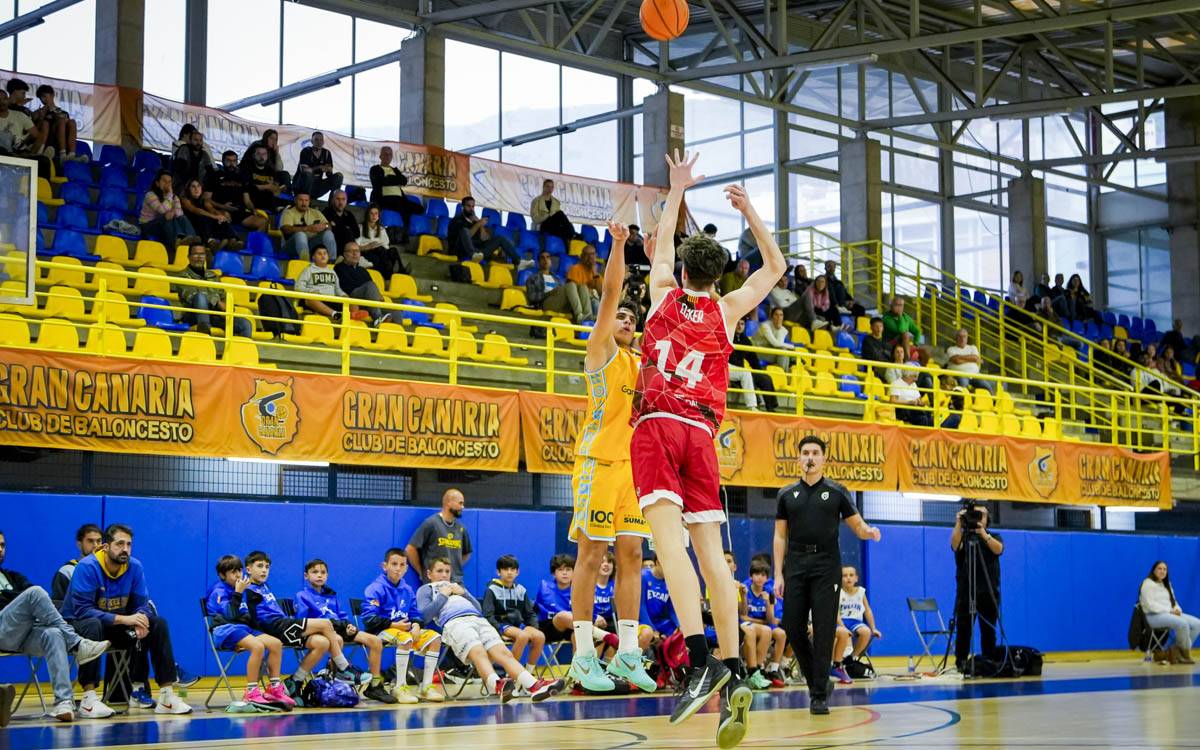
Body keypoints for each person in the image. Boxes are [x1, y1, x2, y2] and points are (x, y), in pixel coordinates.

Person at [633, 150, 785, 748]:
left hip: (657, 424)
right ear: (718, 278)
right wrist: (750, 212)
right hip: (702, 433)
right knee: (713, 560)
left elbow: (663, 244)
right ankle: (738, 669)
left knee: (669, 550)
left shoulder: (663, 293)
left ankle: (699, 663)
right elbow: (773, 266)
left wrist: (677, 190)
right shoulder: (727, 311)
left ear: (681, 270)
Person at [565, 222, 656, 693]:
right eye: (620, 316)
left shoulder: (642, 363)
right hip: (597, 465)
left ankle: (627, 653)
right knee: (592, 554)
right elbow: (610, 293)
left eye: (630, 318)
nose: (625, 320)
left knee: (633, 556)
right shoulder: (601, 352)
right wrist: (620, 244)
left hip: (633, 472)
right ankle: (582, 656)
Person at [773, 436, 881, 715]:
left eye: (815, 453)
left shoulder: (837, 491)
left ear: (823, 459)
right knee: (792, 627)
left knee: (824, 630)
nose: (810, 457)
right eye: (805, 452)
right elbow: (779, 536)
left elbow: (857, 526)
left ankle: (818, 695)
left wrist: (868, 532)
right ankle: (818, 680)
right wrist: (778, 574)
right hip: (795, 563)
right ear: (798, 458)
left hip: (826, 564)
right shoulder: (786, 494)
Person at [63, 523, 193, 717]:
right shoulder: (87, 567)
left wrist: (140, 620)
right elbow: (83, 611)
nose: (125, 549)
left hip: (114, 629)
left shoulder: (134, 566)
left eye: (129, 544)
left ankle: (166, 695)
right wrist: (125, 619)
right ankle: (89, 699)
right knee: (93, 624)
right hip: (78, 628)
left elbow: (142, 604)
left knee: (158, 624)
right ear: (105, 547)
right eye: (119, 544)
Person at [417, 557, 562, 702]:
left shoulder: (457, 587)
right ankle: (496, 685)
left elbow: (478, 609)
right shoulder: (426, 590)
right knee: (478, 651)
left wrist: (464, 594)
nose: (444, 575)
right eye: (439, 571)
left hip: (478, 619)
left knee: (504, 653)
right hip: (454, 622)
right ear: (429, 574)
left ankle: (534, 686)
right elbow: (424, 615)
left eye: (447, 571)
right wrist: (443, 595)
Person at [0, 531, 110, 722]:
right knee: (35, 593)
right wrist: (17, 599)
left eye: (2, 545)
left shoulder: (12, 576)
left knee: (53, 633)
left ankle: (63, 702)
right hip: (2, 631)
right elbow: (27, 596)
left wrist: (15, 598)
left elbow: (25, 596)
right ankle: (77, 644)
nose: (0, 550)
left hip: (22, 634)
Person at [237, 550, 365, 699]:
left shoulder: (264, 586)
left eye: (267, 566)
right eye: (260, 566)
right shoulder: (247, 589)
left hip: (283, 625)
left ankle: (295, 681)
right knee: (325, 624)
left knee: (322, 643)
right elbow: (248, 617)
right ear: (248, 569)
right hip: (274, 627)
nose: (264, 570)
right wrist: (253, 636)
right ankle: (343, 667)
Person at [294, 558, 394, 704]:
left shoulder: (331, 595)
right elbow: (303, 622)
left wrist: (349, 626)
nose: (319, 575)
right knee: (337, 639)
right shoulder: (302, 596)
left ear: (327, 576)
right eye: (315, 572)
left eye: (323, 572)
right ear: (306, 576)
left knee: (375, 641)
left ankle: (375, 685)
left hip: (339, 629)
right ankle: (338, 680)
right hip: (321, 633)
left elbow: (342, 616)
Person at [204, 555, 294, 711]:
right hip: (225, 630)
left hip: (242, 630)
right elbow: (230, 614)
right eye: (233, 572)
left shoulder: (243, 589)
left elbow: (248, 617)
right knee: (257, 646)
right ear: (222, 575)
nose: (238, 575)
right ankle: (251, 691)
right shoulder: (218, 591)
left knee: (275, 643)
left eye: (239, 570)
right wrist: (238, 593)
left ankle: (274, 689)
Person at [361, 548, 444, 703]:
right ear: (384, 566)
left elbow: (415, 614)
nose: (398, 568)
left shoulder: (407, 589)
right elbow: (369, 619)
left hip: (404, 629)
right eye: (394, 564)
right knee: (405, 639)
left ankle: (426, 687)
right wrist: (394, 624)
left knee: (435, 638)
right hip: (381, 631)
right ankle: (400, 687)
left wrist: (417, 625)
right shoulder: (375, 588)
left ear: (406, 568)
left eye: (402, 565)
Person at [950, 503, 1004, 675]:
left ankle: (988, 661)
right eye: (975, 514)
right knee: (964, 629)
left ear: (988, 519)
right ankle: (961, 662)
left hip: (988, 591)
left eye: (981, 515)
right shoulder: (964, 538)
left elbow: (999, 549)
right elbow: (954, 546)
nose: (978, 517)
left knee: (988, 630)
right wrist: (959, 522)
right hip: (966, 590)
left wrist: (983, 533)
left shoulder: (993, 536)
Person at [481, 555, 546, 675]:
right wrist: (499, 629)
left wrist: (533, 627)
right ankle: (512, 674)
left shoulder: (521, 590)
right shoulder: (491, 590)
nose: (509, 572)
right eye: (505, 569)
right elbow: (488, 616)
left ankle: (528, 673)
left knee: (540, 636)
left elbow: (530, 613)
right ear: (498, 572)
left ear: (517, 572)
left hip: (518, 625)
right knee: (522, 636)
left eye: (512, 569)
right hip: (502, 625)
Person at [174, 243, 253, 337]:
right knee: (200, 298)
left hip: (214, 314)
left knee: (245, 324)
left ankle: (240, 351)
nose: (199, 257)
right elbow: (191, 296)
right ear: (189, 257)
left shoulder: (213, 276)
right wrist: (217, 302)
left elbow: (223, 297)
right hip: (193, 314)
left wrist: (227, 307)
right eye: (195, 254)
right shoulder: (182, 276)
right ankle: (205, 334)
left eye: (202, 254)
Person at [406, 488, 472, 583]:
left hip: (456, 582)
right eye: (460, 503)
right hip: (435, 583)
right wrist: (421, 572)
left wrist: (455, 566)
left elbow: (467, 553)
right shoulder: (431, 523)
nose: (463, 507)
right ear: (449, 502)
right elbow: (410, 549)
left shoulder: (461, 528)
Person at [1140, 560, 1198, 664]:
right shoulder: (1147, 583)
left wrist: (1177, 609)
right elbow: (1150, 605)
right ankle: (1185, 655)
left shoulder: (1167, 584)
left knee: (1197, 624)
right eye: (1159, 569)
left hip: (1169, 614)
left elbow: (1173, 601)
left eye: (1165, 569)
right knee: (1182, 624)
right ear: (1154, 570)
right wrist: (1169, 611)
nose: (1162, 571)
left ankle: (1173, 652)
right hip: (1153, 616)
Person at [740, 560, 785, 690]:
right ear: (751, 576)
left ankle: (769, 669)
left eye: (763, 575)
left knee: (778, 633)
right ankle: (753, 671)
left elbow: (771, 620)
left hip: (762, 625)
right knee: (762, 629)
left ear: (767, 578)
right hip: (747, 624)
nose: (760, 577)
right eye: (757, 574)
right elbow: (743, 615)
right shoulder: (745, 589)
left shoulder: (769, 593)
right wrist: (743, 597)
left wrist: (767, 604)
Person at [205, 150, 269, 233]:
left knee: (263, 221)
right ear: (223, 161)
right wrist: (223, 207)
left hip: (239, 211)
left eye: (234, 161)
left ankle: (252, 244)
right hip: (222, 210)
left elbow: (247, 200)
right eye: (228, 161)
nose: (232, 164)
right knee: (226, 217)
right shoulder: (215, 176)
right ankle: (232, 241)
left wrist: (253, 210)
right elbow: (206, 199)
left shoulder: (242, 177)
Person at [449, 195, 523, 266]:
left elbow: (485, 239)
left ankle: (518, 261)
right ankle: (472, 255)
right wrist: (477, 224)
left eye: (473, 206)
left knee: (500, 238)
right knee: (464, 230)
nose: (471, 209)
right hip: (461, 251)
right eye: (468, 206)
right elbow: (466, 236)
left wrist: (480, 225)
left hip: (478, 253)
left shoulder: (475, 222)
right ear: (462, 207)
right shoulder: (457, 220)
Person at [335, 242, 392, 327]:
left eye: (357, 251)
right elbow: (345, 288)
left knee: (395, 312)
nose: (355, 254)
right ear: (345, 254)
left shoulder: (363, 270)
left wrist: (378, 296)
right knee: (370, 286)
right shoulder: (339, 267)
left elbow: (373, 291)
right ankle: (378, 317)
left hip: (367, 302)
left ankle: (393, 335)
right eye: (351, 251)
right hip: (352, 299)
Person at [139, 170, 198, 247]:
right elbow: (162, 210)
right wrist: (169, 195)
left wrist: (172, 210)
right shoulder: (150, 195)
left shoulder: (174, 197)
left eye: (169, 182)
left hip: (164, 224)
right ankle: (176, 241)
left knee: (182, 218)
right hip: (148, 225)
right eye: (164, 181)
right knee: (165, 216)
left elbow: (179, 214)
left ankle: (193, 242)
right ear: (157, 183)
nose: (167, 184)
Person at [835, 566, 881, 666]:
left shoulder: (861, 591)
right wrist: (842, 626)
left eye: (851, 575)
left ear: (856, 578)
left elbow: (868, 610)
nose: (848, 578)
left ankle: (852, 657)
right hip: (840, 621)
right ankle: (839, 659)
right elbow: (835, 613)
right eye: (845, 575)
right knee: (843, 633)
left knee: (866, 631)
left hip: (855, 621)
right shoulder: (838, 592)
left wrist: (873, 628)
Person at [730, 317, 776, 411]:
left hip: (742, 371)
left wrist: (760, 373)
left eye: (742, 324)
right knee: (749, 376)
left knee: (765, 378)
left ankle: (771, 408)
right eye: (737, 323)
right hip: (731, 372)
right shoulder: (728, 337)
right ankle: (756, 406)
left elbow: (753, 360)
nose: (739, 326)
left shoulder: (745, 340)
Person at [180, 178, 238, 250]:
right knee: (203, 216)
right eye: (193, 186)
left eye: (198, 186)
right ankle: (210, 241)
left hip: (206, 227)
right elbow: (195, 210)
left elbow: (213, 211)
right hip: (193, 226)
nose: (196, 189)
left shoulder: (204, 200)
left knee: (221, 219)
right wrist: (214, 216)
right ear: (188, 189)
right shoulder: (185, 199)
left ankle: (232, 241)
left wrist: (221, 216)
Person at [295, 246, 349, 321]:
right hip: (315, 301)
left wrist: (343, 295)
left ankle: (354, 315)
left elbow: (337, 289)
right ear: (313, 257)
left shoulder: (332, 272)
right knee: (310, 299)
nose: (323, 256)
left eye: (325, 253)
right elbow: (298, 286)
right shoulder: (308, 270)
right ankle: (334, 314)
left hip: (331, 300)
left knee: (352, 302)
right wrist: (311, 291)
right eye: (319, 254)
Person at [51, 523, 103, 601]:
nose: (95, 545)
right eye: (90, 541)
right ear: (79, 544)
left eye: (99, 541)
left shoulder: (107, 571)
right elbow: (58, 607)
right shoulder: (67, 572)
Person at [536, 554, 579, 647]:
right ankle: (603, 635)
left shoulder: (578, 590)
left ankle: (579, 662)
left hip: (571, 627)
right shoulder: (545, 587)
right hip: (548, 628)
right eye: (560, 570)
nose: (565, 573)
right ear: (553, 573)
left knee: (578, 636)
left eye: (568, 569)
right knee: (562, 616)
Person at [280, 191, 337, 261]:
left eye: (306, 200)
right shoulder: (288, 212)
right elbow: (286, 229)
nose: (304, 203)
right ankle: (305, 261)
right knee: (300, 234)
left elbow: (329, 226)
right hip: (290, 247)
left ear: (309, 201)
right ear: (295, 201)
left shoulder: (316, 212)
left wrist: (324, 226)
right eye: (301, 200)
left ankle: (332, 261)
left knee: (328, 233)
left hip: (311, 245)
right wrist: (307, 228)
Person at [369, 146, 419, 225]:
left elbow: (404, 181)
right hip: (384, 199)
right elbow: (381, 181)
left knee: (420, 208)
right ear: (380, 156)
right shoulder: (375, 169)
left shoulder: (394, 170)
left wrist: (389, 178)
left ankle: (401, 230)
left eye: (390, 155)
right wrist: (395, 180)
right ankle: (403, 231)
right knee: (402, 206)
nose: (388, 157)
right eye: (385, 154)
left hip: (400, 199)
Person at [356, 204, 405, 279]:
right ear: (367, 215)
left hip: (381, 252)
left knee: (393, 250)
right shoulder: (360, 227)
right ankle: (390, 274)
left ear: (378, 216)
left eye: (376, 213)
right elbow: (356, 247)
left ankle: (400, 269)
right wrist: (369, 246)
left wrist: (378, 246)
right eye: (371, 213)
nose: (374, 216)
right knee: (381, 251)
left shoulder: (381, 229)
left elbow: (386, 245)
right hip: (366, 252)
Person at [293, 131, 342, 199]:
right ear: (312, 141)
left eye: (321, 140)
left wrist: (329, 170)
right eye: (316, 140)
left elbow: (329, 173)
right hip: (302, 186)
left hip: (317, 186)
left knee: (339, 176)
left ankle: (332, 204)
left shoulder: (326, 153)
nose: (319, 142)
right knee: (308, 175)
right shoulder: (306, 151)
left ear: (323, 142)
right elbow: (304, 171)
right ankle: (306, 201)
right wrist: (319, 167)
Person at [530, 178, 576, 247]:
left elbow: (560, 220)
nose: (550, 189)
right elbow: (535, 218)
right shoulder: (536, 201)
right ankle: (573, 234)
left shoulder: (556, 202)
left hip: (553, 225)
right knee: (560, 214)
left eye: (552, 187)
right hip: (542, 224)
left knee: (562, 229)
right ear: (543, 187)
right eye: (548, 186)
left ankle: (570, 238)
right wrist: (548, 216)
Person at [240, 144, 286, 213]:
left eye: (264, 154)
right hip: (253, 198)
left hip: (270, 197)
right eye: (258, 154)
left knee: (293, 202)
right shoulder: (247, 169)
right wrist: (268, 186)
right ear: (254, 155)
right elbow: (247, 188)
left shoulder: (271, 170)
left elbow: (278, 188)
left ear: (267, 156)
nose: (261, 157)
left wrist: (278, 188)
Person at [944, 328, 991, 392]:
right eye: (960, 336)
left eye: (964, 336)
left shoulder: (973, 347)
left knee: (987, 386)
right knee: (963, 387)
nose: (962, 339)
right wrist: (971, 359)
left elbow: (975, 358)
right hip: (960, 375)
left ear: (967, 338)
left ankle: (994, 401)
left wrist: (960, 357)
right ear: (956, 338)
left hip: (975, 375)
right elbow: (956, 361)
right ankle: (962, 401)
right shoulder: (951, 349)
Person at [323, 190, 360, 257]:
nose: (341, 202)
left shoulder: (349, 215)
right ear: (333, 200)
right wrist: (344, 228)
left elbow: (357, 233)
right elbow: (324, 228)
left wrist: (339, 228)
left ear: (346, 201)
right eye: (338, 199)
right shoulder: (326, 212)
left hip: (348, 244)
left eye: (343, 199)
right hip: (333, 244)